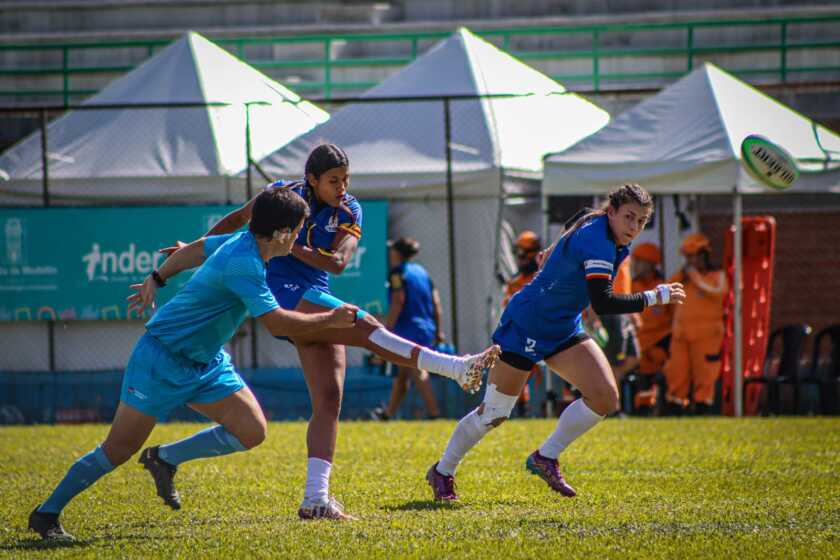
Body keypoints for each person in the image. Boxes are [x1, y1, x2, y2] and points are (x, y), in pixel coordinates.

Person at [175, 144, 499, 519]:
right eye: (333, 181)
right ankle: (456, 368)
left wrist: (290, 244)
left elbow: (340, 262)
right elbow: (237, 220)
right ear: (311, 179)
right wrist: (196, 249)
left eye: (345, 179)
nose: (342, 187)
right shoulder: (283, 195)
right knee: (364, 325)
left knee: (329, 401)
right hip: (283, 295)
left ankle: (315, 499)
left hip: (315, 294)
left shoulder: (350, 209)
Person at [28, 188, 359, 542]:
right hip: (163, 360)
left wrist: (157, 279)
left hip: (206, 362)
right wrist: (330, 320)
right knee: (119, 449)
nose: (298, 237)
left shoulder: (243, 242)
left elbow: (194, 250)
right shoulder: (244, 263)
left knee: (252, 430)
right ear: (280, 233)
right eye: (296, 230)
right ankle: (46, 514)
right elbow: (277, 323)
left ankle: (165, 458)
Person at [425, 184, 686, 502]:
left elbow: (578, 216)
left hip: (563, 327)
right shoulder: (599, 242)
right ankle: (443, 470)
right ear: (612, 212)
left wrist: (554, 247)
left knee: (604, 397)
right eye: (629, 217)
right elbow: (602, 302)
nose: (634, 227)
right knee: (494, 413)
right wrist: (653, 296)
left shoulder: (594, 219)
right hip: (527, 324)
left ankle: (545, 457)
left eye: (642, 221)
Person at [371, 237, 443, 420]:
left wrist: (387, 330)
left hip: (408, 328)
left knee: (417, 370)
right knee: (402, 373)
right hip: (426, 327)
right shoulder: (422, 272)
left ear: (397, 253)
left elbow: (398, 301)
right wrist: (438, 329)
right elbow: (436, 302)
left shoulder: (397, 273)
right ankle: (388, 414)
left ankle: (435, 414)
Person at [663, 233, 727, 415]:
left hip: (707, 336)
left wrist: (696, 278)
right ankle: (675, 406)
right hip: (681, 335)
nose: (690, 261)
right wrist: (686, 276)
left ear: (704, 256)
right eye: (688, 257)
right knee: (676, 372)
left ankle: (702, 408)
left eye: (693, 256)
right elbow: (665, 294)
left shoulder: (716, 276)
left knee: (705, 374)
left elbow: (718, 292)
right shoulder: (682, 278)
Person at [503, 231, 544, 417]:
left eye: (524, 253)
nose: (520, 259)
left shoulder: (543, 278)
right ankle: (522, 410)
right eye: (517, 254)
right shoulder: (515, 283)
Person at [630, 242, 673, 413]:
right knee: (640, 376)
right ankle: (642, 408)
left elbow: (673, 315)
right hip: (639, 344)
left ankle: (665, 406)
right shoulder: (631, 286)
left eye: (639, 261)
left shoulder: (664, 286)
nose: (635, 265)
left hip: (660, 342)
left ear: (650, 264)